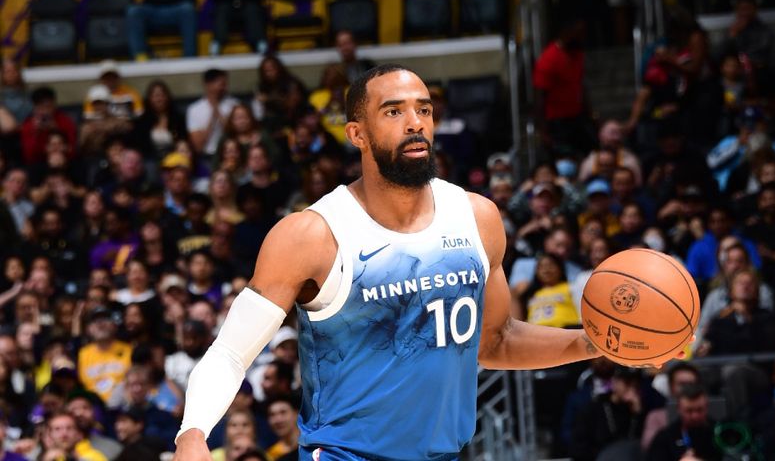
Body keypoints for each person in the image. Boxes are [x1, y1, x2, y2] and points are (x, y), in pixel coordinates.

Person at [173, 64, 661, 460]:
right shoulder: (312, 235)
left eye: (424, 109)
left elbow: (495, 341)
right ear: (356, 133)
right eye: (393, 111)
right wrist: (193, 433)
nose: (415, 122)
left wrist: (594, 343)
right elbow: (231, 353)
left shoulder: (477, 217)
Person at [533, 16, 594, 157]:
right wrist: (543, 131)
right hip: (557, 122)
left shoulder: (577, 54)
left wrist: (590, 113)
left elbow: (581, 85)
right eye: (579, 33)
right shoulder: (549, 59)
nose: (582, 37)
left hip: (578, 116)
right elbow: (539, 97)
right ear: (567, 32)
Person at [646, 383, 721, 461]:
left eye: (699, 410)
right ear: (679, 409)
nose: (694, 416)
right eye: (689, 411)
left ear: (707, 406)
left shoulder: (720, 432)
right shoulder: (665, 438)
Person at [186, 68, 240, 162]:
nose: (224, 88)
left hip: (231, 156)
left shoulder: (234, 105)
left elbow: (235, 134)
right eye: (221, 84)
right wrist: (213, 115)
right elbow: (198, 146)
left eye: (225, 84)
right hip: (206, 158)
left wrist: (218, 112)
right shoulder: (194, 109)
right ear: (208, 85)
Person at [20, 86, 77, 166]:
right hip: (39, 164)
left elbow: (72, 150)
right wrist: (36, 133)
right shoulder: (29, 124)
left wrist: (56, 129)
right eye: (41, 108)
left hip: (65, 162)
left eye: (48, 107)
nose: (45, 111)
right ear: (35, 108)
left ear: (54, 105)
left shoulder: (65, 121)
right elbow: (29, 156)